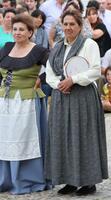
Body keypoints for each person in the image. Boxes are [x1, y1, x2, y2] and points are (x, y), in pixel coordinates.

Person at [45, 9, 108, 196]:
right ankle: (70, 180)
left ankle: (88, 182)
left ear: (80, 26)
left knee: (84, 137)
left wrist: (73, 80)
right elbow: (49, 72)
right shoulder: (57, 47)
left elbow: (96, 70)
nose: (68, 27)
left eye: (72, 24)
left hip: (83, 96)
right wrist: (60, 84)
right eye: (65, 24)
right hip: (61, 97)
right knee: (62, 138)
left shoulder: (89, 45)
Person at [0, 14, 50, 194]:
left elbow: (55, 68)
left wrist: (41, 78)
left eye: (22, 29)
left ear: (30, 32)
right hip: (5, 102)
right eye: (15, 29)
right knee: (4, 140)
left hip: (27, 102)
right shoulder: (6, 48)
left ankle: (27, 179)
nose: (17, 33)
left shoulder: (38, 51)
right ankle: (5, 179)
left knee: (26, 141)